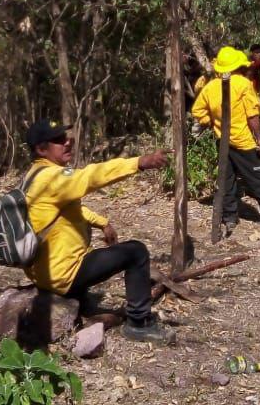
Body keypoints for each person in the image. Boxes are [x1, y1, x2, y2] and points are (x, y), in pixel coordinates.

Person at [21, 119, 173, 344]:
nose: (67, 142)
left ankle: (78, 299)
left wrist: (102, 222)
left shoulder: (33, 176)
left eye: (66, 137)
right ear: (41, 149)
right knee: (136, 252)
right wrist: (139, 162)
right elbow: (91, 176)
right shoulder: (51, 177)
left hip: (44, 272)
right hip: (63, 274)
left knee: (89, 251)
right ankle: (139, 324)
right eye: (58, 140)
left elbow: (71, 209)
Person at [191, 47, 260, 232]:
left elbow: (197, 111)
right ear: (239, 65)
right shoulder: (243, 84)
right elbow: (252, 117)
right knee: (259, 179)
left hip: (223, 142)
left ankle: (230, 216)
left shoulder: (210, 86)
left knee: (227, 180)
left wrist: (214, 123)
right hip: (245, 143)